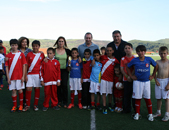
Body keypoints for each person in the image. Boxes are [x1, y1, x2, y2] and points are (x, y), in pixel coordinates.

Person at [127, 45, 157, 121]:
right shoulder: (134, 60)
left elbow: (156, 66)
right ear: (137, 52)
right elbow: (127, 67)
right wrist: (131, 76)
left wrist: (153, 75)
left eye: (142, 51)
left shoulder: (149, 59)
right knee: (137, 98)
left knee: (147, 98)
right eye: (139, 51)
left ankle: (150, 114)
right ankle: (137, 113)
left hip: (146, 82)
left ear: (145, 52)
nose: (140, 53)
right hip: (137, 82)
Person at [23, 40, 45, 112]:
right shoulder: (29, 54)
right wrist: (25, 75)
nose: (35, 47)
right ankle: (27, 105)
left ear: (39, 46)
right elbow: (26, 65)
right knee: (28, 89)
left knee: (37, 89)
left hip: (38, 75)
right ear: (32, 46)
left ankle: (35, 105)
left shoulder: (41, 55)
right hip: (29, 74)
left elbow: (43, 65)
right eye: (34, 46)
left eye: (36, 46)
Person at [5, 39, 27, 112]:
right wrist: (8, 78)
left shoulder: (21, 54)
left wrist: (23, 76)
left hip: (19, 77)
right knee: (13, 91)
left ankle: (20, 105)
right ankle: (14, 106)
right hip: (11, 77)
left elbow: (24, 65)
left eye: (15, 45)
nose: (14, 46)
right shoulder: (8, 56)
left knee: (20, 90)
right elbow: (7, 67)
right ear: (11, 46)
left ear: (18, 46)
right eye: (13, 45)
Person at [100, 45, 119, 114]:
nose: (108, 52)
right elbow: (96, 58)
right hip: (103, 79)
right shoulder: (102, 57)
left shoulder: (115, 60)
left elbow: (118, 68)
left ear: (113, 51)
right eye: (107, 50)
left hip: (111, 79)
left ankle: (109, 105)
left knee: (110, 93)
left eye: (110, 50)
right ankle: (104, 107)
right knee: (104, 93)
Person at [53, 36, 71, 108]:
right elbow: (49, 56)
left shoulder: (67, 51)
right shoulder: (54, 50)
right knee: (58, 86)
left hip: (64, 71)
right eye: (59, 41)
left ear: (64, 42)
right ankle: (59, 101)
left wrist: (79, 58)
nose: (61, 42)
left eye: (62, 41)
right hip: (56, 71)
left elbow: (74, 55)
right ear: (57, 42)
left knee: (64, 85)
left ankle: (65, 101)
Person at [153, 46, 169, 121]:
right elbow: (154, 73)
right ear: (159, 53)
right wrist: (156, 80)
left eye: (164, 53)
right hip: (159, 81)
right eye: (161, 53)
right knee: (158, 98)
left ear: (167, 53)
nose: (163, 55)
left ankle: (167, 114)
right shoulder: (157, 62)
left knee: (166, 99)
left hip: (166, 81)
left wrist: (168, 85)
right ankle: (158, 112)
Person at [120, 43, 136, 113]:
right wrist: (127, 76)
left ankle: (136, 110)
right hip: (126, 79)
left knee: (134, 95)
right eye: (126, 48)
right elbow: (122, 69)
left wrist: (131, 76)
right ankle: (127, 109)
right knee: (126, 95)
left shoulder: (135, 58)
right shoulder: (123, 59)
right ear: (124, 50)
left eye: (129, 48)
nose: (127, 49)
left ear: (132, 49)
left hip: (134, 79)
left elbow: (135, 68)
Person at [18, 37, 32, 106]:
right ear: (20, 42)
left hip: (27, 71)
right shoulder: (17, 50)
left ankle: (25, 102)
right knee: (20, 87)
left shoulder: (29, 50)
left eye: (26, 42)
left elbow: (35, 55)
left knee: (27, 87)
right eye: (23, 42)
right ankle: (21, 102)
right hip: (18, 71)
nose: (24, 43)